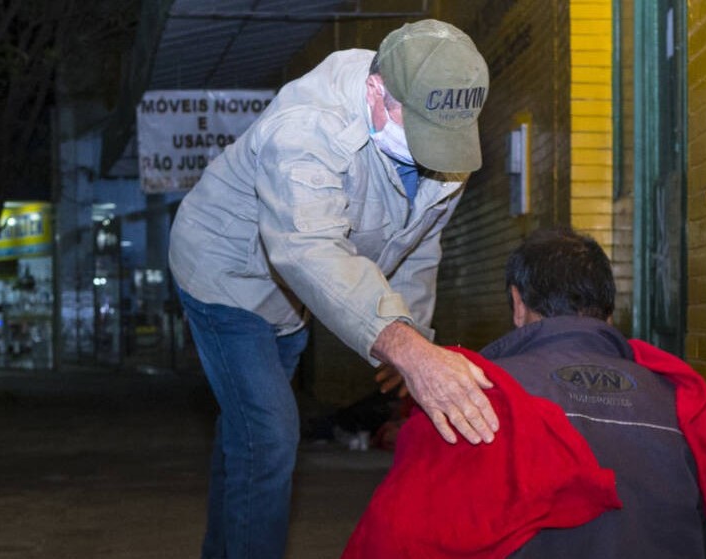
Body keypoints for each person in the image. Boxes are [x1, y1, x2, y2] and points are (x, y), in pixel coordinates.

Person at [168, 19, 498, 558]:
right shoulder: (306, 127)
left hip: (292, 297)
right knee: (272, 431)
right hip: (225, 270)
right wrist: (406, 347)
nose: (434, 153)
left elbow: (420, 249)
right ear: (376, 91)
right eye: (419, 130)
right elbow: (308, 249)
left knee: (252, 435)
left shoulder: (447, 138)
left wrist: (410, 329)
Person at [345, 228, 706, 558]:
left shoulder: (470, 397)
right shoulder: (679, 401)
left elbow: (395, 538)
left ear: (518, 305)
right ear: (608, 312)